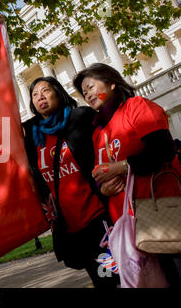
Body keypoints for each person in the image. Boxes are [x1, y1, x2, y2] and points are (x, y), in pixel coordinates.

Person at [73, 62, 181, 287]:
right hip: (130, 229)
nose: (88, 95)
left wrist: (121, 167)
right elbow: (100, 177)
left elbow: (163, 149)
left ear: (112, 83)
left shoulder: (136, 106)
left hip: (160, 214)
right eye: (84, 93)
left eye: (91, 87)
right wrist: (104, 188)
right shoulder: (98, 132)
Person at [22, 76, 119, 288]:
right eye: (35, 94)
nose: (41, 97)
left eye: (46, 90)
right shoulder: (31, 135)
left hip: (98, 219)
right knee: (98, 277)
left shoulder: (80, 117)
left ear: (58, 93)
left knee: (112, 277)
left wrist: (114, 175)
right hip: (71, 228)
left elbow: (112, 140)